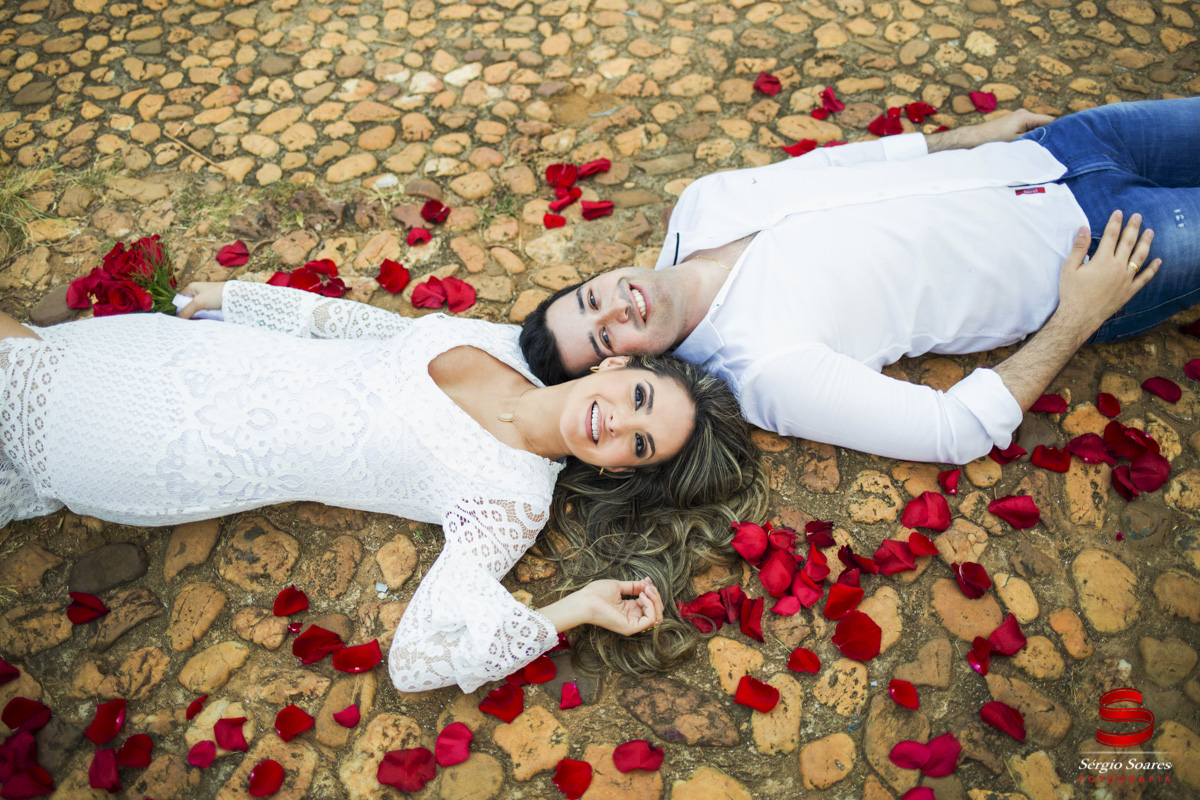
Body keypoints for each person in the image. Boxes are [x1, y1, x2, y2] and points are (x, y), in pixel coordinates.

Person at [0, 279, 766, 692]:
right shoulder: (505, 342)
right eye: (638, 399)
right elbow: (360, 328)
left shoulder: (509, 503)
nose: (616, 425)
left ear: (623, 470)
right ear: (615, 366)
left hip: (177, 446)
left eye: (639, 445)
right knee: (23, 342)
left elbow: (416, 663)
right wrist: (242, 299)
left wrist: (577, 607)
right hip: (191, 356)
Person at [520, 98, 1200, 464]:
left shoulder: (701, 204)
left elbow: (833, 167)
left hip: (1057, 150)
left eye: (590, 300)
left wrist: (968, 136)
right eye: (603, 336)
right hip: (1107, 250)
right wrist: (1078, 318)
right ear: (619, 362)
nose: (614, 309)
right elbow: (951, 431)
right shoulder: (764, 371)